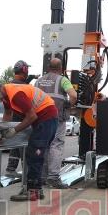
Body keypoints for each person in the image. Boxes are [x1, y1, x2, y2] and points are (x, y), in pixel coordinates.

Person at [0, 78, 58, 202]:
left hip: (46, 118)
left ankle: (33, 192)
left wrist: (14, 130)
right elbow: (7, 113)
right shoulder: (7, 96)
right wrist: (2, 130)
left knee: (34, 154)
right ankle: (36, 190)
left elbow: (32, 116)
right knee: (35, 154)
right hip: (46, 119)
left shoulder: (16, 95)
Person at [35, 57, 78, 189]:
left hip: (40, 118)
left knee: (43, 145)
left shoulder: (39, 81)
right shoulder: (62, 80)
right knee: (56, 145)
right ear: (60, 69)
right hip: (56, 118)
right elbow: (74, 95)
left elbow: (33, 97)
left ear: (48, 67)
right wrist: (69, 105)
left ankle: (41, 177)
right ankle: (53, 178)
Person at [4, 60, 31, 177]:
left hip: (13, 120)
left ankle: (10, 168)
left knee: (15, 146)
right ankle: (27, 173)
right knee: (25, 147)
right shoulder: (25, 86)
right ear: (24, 70)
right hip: (24, 121)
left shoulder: (9, 85)